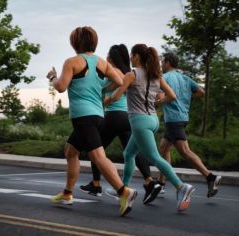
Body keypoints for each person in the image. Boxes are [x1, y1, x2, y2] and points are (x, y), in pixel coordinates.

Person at [46, 26, 137, 216]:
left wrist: (53, 77)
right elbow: (120, 81)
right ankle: (68, 193)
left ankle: (124, 192)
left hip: (83, 117)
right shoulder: (102, 63)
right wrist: (101, 86)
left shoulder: (72, 62)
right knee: (71, 151)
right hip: (98, 115)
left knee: (97, 156)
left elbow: (61, 87)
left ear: (75, 42)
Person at [104, 44, 195, 212]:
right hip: (153, 120)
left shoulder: (132, 75)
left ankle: (182, 187)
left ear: (138, 56)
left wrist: (103, 102)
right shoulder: (156, 75)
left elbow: (117, 95)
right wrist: (157, 102)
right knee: (129, 153)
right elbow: (172, 96)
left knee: (154, 157)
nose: (130, 58)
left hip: (139, 121)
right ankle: (122, 188)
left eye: (132, 55)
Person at [79, 44, 161, 204]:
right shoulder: (130, 73)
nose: (107, 58)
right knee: (133, 152)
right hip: (128, 118)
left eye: (109, 56)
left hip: (113, 116)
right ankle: (149, 181)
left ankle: (96, 185)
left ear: (112, 58)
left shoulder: (113, 72)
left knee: (96, 149)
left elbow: (98, 87)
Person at [157, 52, 221, 197]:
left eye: (162, 62)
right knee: (163, 149)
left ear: (167, 63)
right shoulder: (184, 78)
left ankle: (210, 177)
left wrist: (157, 102)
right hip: (182, 117)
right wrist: (186, 98)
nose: (161, 65)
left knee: (185, 151)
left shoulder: (164, 78)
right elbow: (201, 91)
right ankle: (161, 183)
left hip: (173, 119)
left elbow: (161, 97)